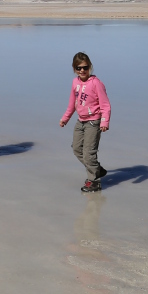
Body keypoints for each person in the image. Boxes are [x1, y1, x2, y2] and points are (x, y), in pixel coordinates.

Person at [59, 52, 111, 192]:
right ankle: (97, 170)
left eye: (85, 67)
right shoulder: (75, 82)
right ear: (74, 69)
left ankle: (94, 181)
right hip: (80, 121)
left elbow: (105, 105)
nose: (82, 70)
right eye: (78, 68)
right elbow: (72, 103)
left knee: (89, 153)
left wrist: (104, 122)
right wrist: (65, 118)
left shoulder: (96, 84)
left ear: (90, 67)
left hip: (94, 122)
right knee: (76, 149)